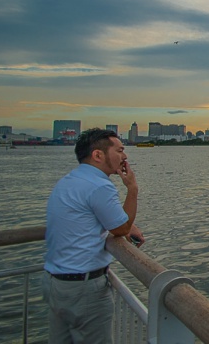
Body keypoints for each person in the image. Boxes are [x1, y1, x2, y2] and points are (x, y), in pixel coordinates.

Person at [42, 128, 145, 344]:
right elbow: (121, 228)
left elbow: (95, 218)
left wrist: (127, 224)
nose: (124, 156)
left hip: (55, 281)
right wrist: (132, 189)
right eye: (120, 150)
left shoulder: (70, 181)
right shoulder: (99, 186)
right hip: (83, 288)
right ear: (98, 155)